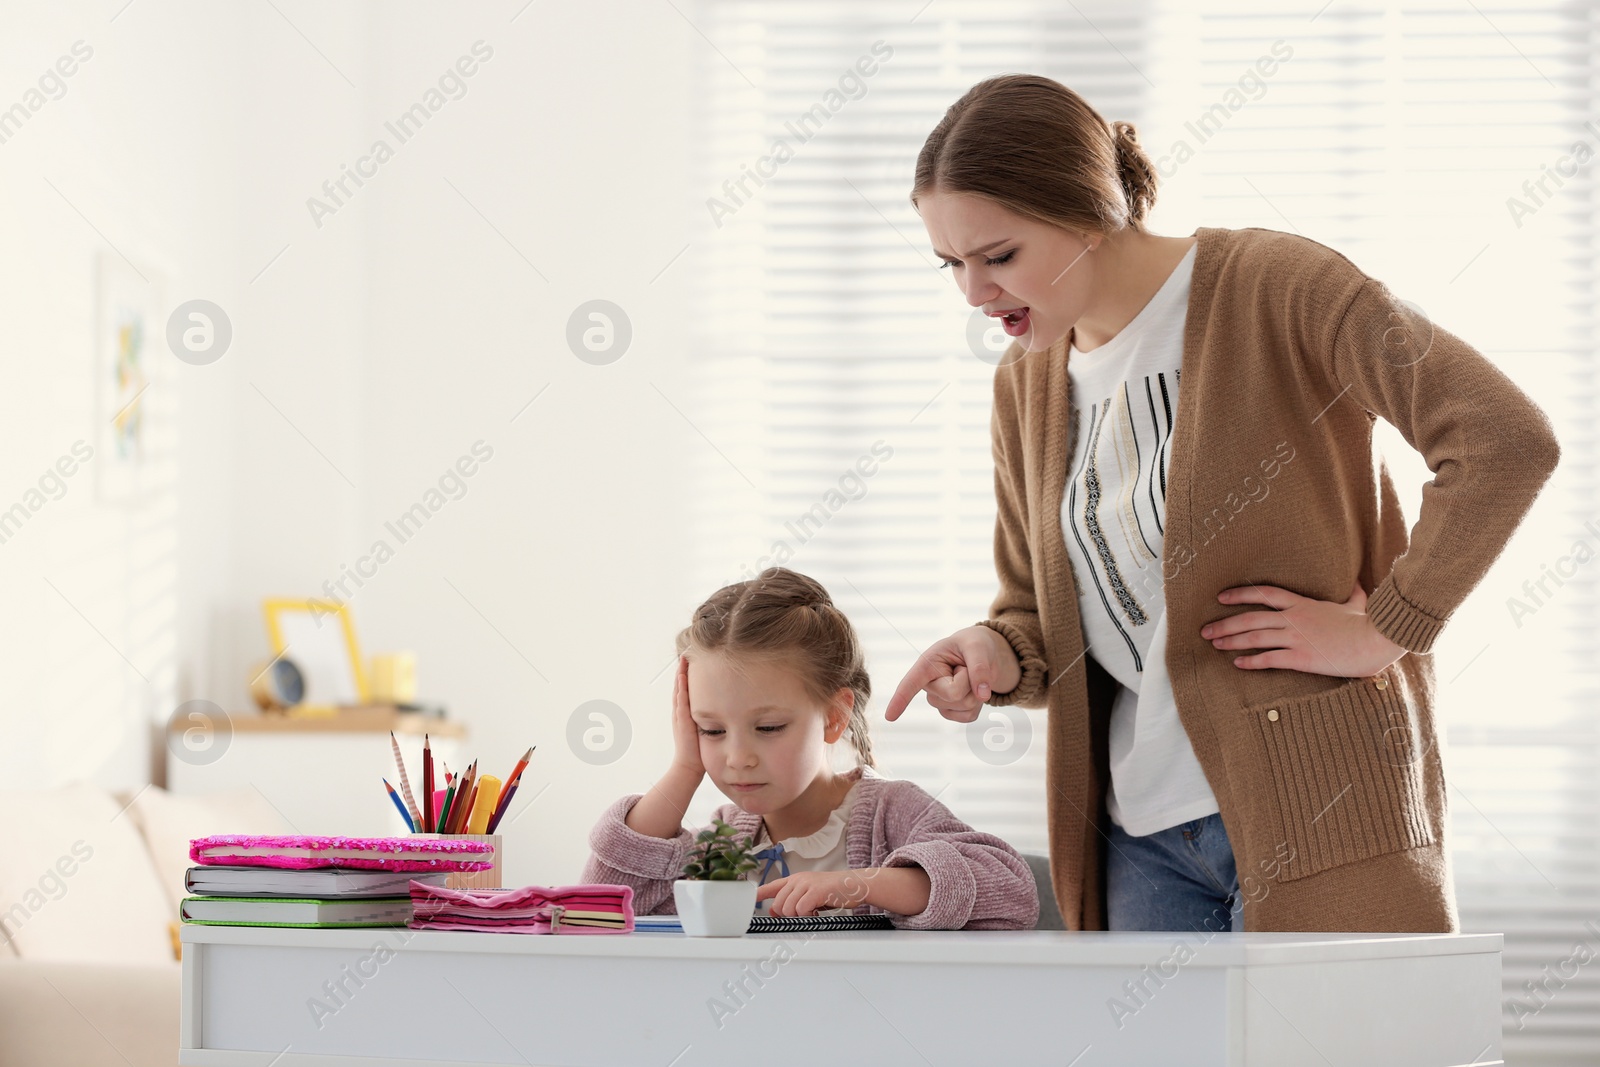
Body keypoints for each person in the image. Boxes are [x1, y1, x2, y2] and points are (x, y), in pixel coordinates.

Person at [883, 74, 1561, 934]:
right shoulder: (1026, 384)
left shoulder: (1279, 287)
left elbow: (1506, 438)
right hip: (1140, 840)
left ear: (1088, 210)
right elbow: (1044, 614)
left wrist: (1389, 625)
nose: (973, 294)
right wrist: (995, 652)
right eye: (952, 264)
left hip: (1320, 802)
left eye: (999, 256)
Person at [581, 566, 1039, 930]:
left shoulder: (892, 813)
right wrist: (685, 767)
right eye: (712, 730)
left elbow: (1013, 892)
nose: (738, 757)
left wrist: (860, 885)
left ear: (835, 716)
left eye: (769, 726)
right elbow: (601, 912)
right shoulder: (721, 844)